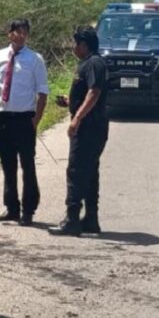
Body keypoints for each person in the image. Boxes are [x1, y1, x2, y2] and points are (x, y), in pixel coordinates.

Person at [0, 19, 49, 227]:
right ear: (10, 34)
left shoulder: (35, 59)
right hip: (5, 118)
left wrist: (36, 121)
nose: (22, 35)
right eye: (18, 32)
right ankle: (11, 207)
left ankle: (28, 210)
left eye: (25, 32)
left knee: (28, 165)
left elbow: (43, 93)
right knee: (8, 166)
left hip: (25, 118)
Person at [49, 26, 109, 236]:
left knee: (75, 171)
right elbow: (86, 94)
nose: (74, 47)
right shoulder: (88, 63)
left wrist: (76, 119)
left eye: (76, 44)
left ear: (84, 45)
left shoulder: (94, 63)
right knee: (90, 171)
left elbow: (94, 93)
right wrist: (70, 102)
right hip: (91, 124)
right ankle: (91, 219)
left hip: (90, 127)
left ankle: (72, 219)